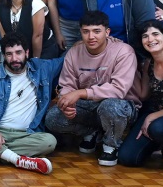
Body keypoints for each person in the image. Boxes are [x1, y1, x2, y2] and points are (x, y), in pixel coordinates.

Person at [45, 11, 140, 166]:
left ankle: (111, 145)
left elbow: (119, 90)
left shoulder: (124, 51)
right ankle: (91, 132)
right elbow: (67, 85)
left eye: (97, 31)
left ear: (107, 32)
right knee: (53, 117)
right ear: (80, 32)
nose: (91, 37)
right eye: (86, 32)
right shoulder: (74, 52)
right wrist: (67, 103)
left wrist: (80, 92)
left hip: (122, 105)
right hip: (88, 106)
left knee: (111, 106)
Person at [0, 33, 62, 175]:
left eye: (18, 53)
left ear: (27, 52)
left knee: (49, 141)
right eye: (9, 54)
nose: (14, 59)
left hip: (26, 135)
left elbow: (67, 59)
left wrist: (80, 46)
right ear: (3, 55)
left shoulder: (41, 69)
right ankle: (18, 160)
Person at [119, 20, 163, 172]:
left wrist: (152, 117)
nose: (150, 39)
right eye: (145, 36)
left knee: (157, 127)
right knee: (128, 158)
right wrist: (128, 66)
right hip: (160, 116)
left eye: (155, 34)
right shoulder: (148, 63)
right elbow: (143, 95)